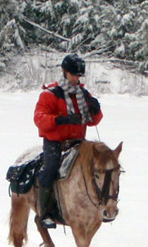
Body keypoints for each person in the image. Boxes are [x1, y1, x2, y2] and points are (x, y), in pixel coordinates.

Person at [33, 54, 102, 229]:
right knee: (50, 169)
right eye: (73, 75)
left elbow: (93, 121)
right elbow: (39, 118)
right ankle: (45, 212)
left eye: (79, 76)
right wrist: (58, 120)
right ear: (64, 72)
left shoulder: (83, 95)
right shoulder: (50, 94)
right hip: (55, 142)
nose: (76, 79)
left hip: (78, 142)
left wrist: (96, 110)